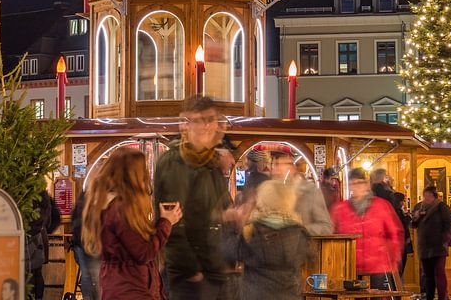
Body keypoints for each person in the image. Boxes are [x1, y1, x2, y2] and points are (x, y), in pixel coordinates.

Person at [153, 95, 239, 300]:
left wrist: (231, 215)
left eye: (211, 119)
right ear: (187, 125)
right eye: (201, 120)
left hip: (215, 268)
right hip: (192, 276)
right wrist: (191, 269)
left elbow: (215, 210)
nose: (208, 126)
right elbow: (172, 220)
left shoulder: (210, 162)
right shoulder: (176, 162)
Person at [82, 147, 181, 299]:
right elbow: (143, 252)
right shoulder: (121, 208)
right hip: (132, 286)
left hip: (117, 283)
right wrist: (166, 222)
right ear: (133, 174)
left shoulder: (104, 203)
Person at [222, 180, 314, 300]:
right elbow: (308, 258)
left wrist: (235, 225)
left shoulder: (252, 230)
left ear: (263, 201)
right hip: (290, 295)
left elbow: (228, 251)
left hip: (255, 294)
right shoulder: (299, 232)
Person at [331, 168, 404, 291]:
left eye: (360, 183)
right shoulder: (340, 209)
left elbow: (395, 233)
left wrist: (393, 260)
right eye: (353, 183)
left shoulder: (382, 206)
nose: (357, 187)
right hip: (350, 268)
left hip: (379, 268)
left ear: (367, 185)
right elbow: (332, 236)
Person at [270, 148, 333, 235]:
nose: (276, 170)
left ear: (292, 166)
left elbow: (326, 227)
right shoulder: (270, 191)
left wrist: (300, 229)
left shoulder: (310, 191)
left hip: (301, 246)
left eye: (281, 164)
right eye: (275, 165)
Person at [411, 186, 451, 300]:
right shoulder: (419, 207)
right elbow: (413, 224)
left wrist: (444, 239)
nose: (426, 198)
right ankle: (429, 297)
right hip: (424, 246)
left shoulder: (441, 207)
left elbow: (449, 225)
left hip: (438, 247)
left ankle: (442, 297)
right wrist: (416, 217)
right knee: (428, 275)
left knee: (439, 274)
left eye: (429, 196)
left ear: (434, 196)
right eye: (425, 196)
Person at [26, 190, 61, 300]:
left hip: (29, 237)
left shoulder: (23, 193)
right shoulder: (43, 193)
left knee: (29, 274)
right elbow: (56, 217)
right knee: (37, 273)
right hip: (41, 236)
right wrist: (45, 230)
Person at [71, 187, 100, 300]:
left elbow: (75, 223)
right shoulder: (98, 202)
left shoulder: (81, 201)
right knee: (95, 275)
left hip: (82, 243)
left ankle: (87, 297)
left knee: (87, 275)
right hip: (91, 244)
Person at [394, 192, 413, 277]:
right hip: (400, 243)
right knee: (400, 267)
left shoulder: (395, 210)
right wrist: (409, 217)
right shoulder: (397, 211)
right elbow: (402, 224)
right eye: (403, 201)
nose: (403, 203)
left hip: (399, 243)